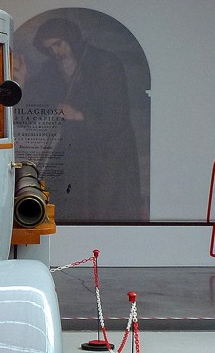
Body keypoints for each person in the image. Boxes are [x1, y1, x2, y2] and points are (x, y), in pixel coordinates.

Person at [14, 17, 144, 222]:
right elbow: (29, 113)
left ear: (71, 39)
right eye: (49, 48)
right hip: (77, 152)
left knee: (104, 208)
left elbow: (116, 117)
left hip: (109, 154)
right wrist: (21, 84)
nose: (56, 52)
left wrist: (76, 115)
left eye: (58, 44)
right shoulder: (52, 68)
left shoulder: (105, 63)